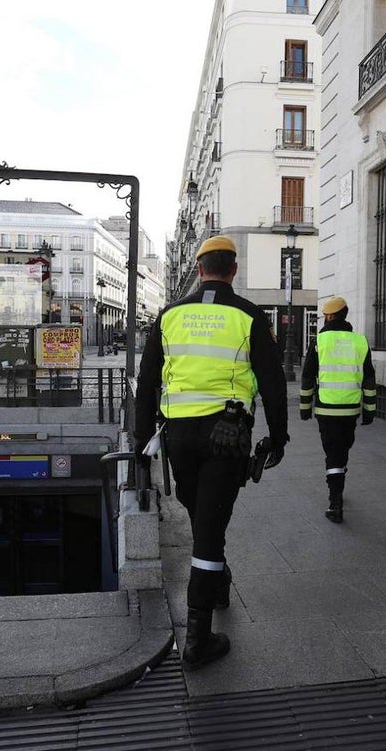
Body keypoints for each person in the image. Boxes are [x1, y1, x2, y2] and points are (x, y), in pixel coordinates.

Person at [134, 235, 289, 670]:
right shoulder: (249, 315)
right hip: (227, 436)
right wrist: (279, 437)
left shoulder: (168, 316)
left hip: (179, 437)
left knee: (201, 514)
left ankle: (217, 583)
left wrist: (139, 443)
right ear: (233, 270)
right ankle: (197, 639)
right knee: (208, 532)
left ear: (199, 269)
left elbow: (146, 386)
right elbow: (273, 383)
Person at [298, 297, 377, 523]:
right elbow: (369, 378)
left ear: (330, 316)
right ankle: (339, 480)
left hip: (327, 409)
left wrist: (305, 409)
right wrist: (369, 411)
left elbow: (307, 376)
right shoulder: (360, 341)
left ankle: (335, 501)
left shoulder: (320, 341)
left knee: (332, 454)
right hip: (351, 409)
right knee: (342, 449)